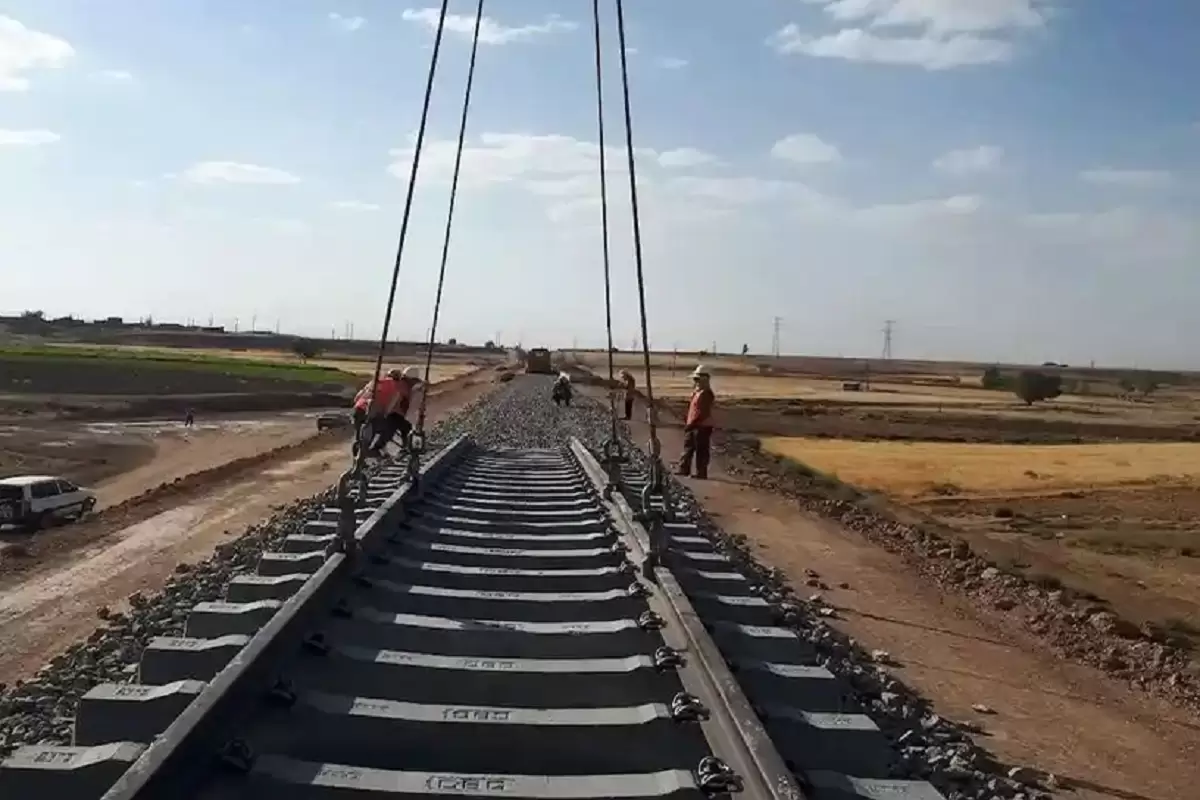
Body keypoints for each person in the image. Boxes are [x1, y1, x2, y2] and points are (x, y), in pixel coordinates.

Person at [351, 367, 423, 458]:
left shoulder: (375, 382)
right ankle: (376, 450)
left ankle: (362, 456)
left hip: (358, 409)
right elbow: (392, 403)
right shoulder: (397, 386)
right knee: (389, 429)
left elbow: (357, 398)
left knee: (361, 438)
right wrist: (385, 413)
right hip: (374, 411)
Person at [677, 365, 715, 479]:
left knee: (701, 450)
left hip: (701, 426)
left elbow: (702, 413)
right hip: (694, 425)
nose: (695, 382)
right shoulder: (698, 392)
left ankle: (701, 473)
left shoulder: (706, 394)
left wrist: (692, 424)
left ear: (705, 379)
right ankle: (684, 469)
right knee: (688, 448)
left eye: (697, 379)